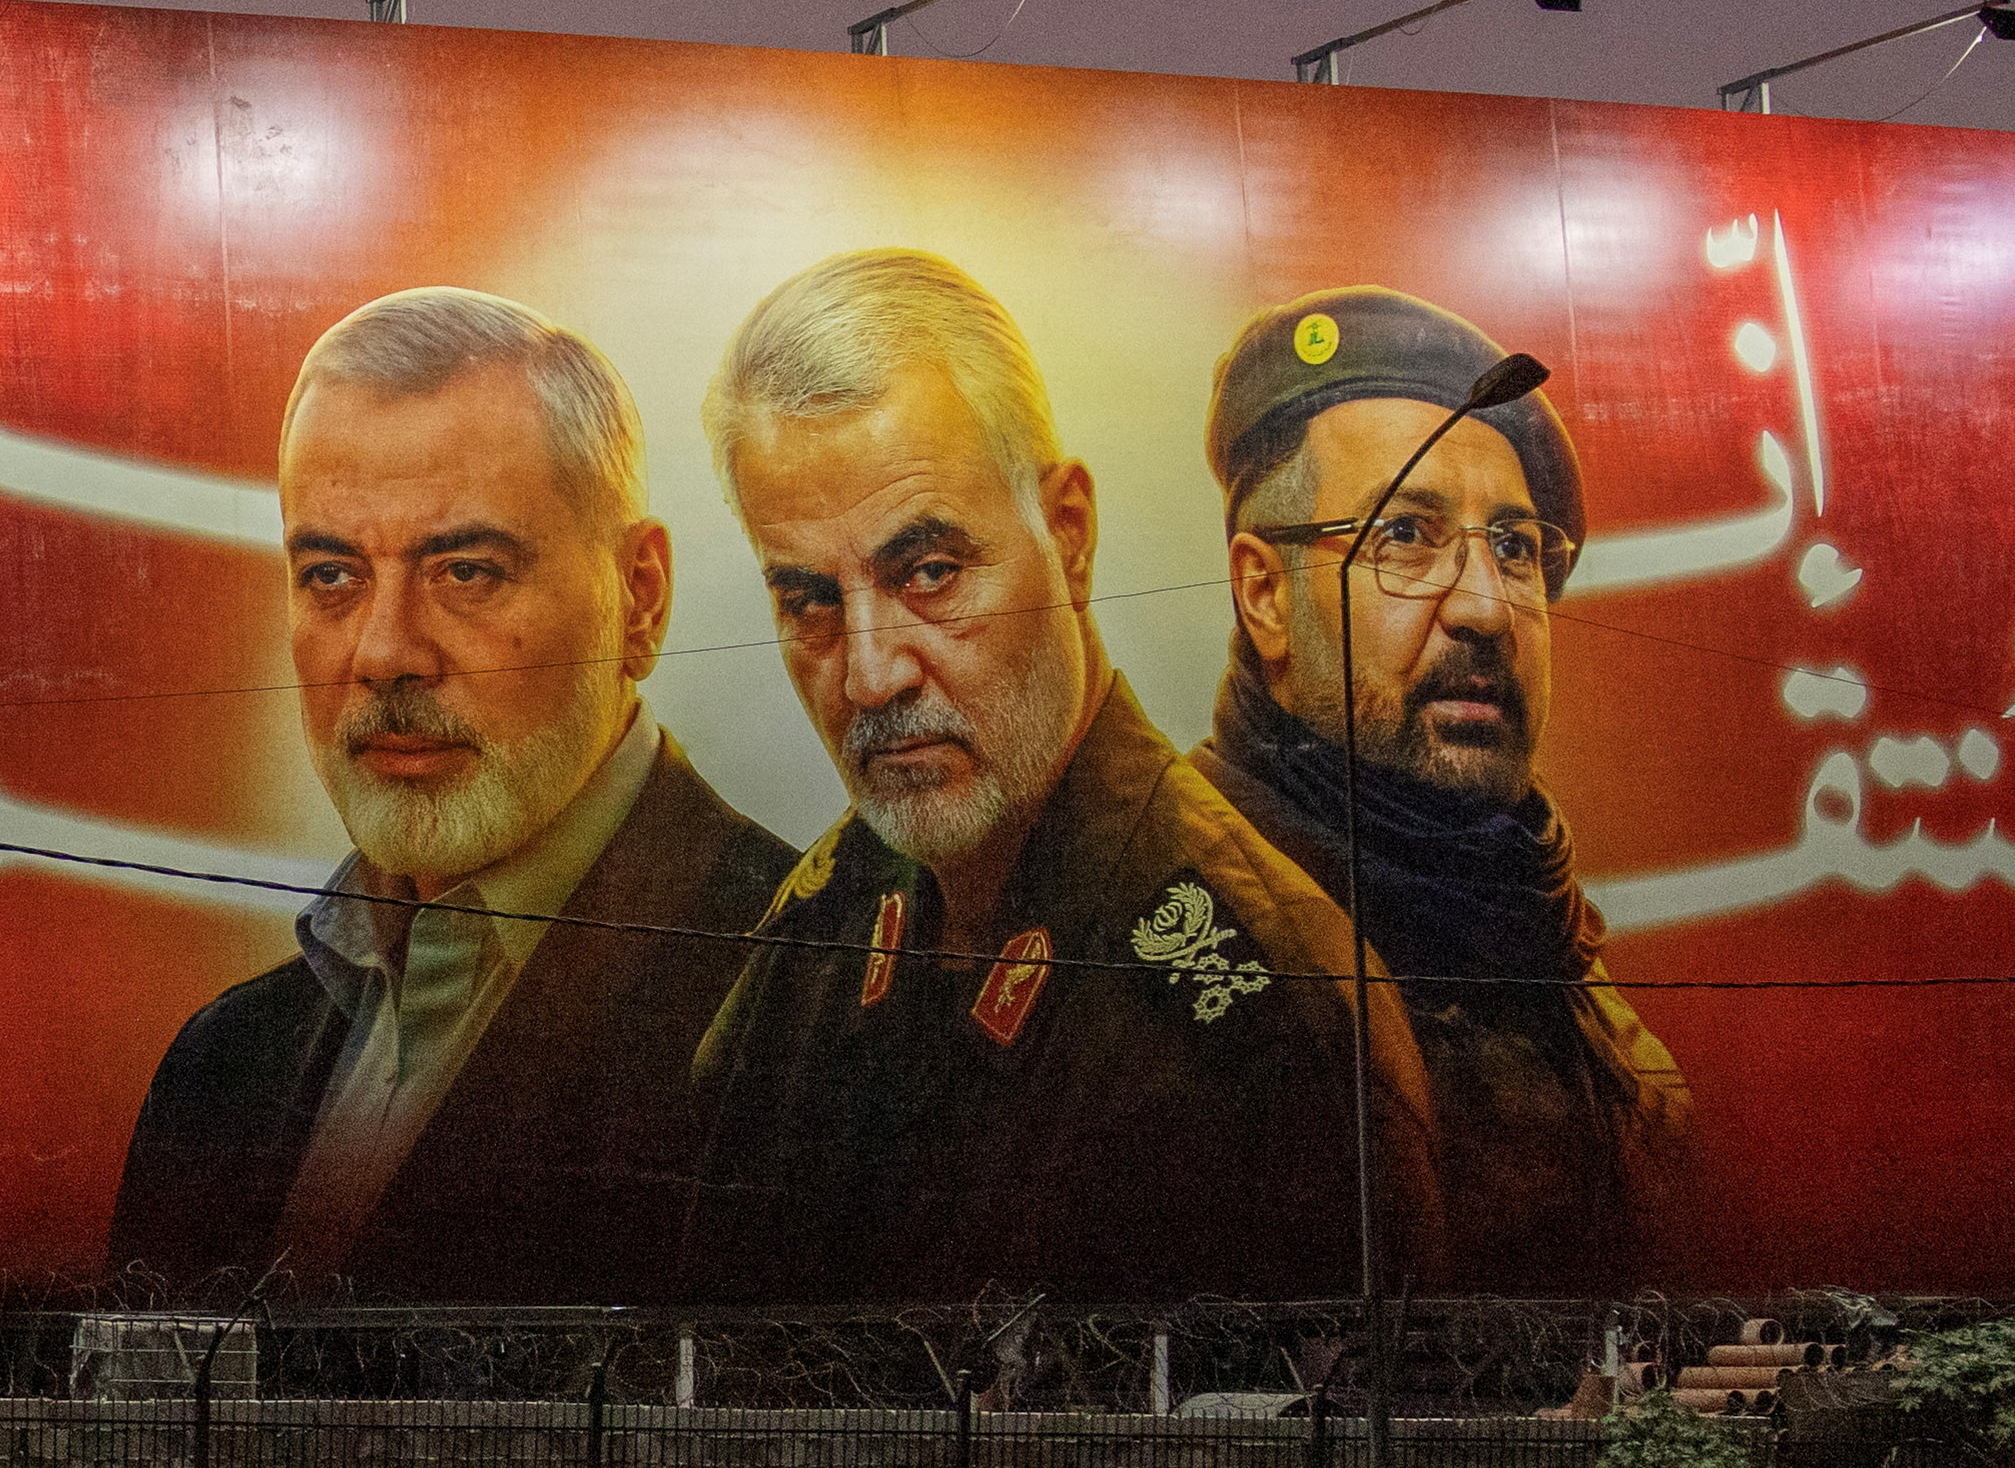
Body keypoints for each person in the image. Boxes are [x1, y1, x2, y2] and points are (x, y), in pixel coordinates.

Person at [673, 245, 1438, 1300]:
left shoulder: (1267, 1019)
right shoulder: (815, 932)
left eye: (929, 572)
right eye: (807, 597)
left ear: (1066, 537)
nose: (869, 671)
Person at [106, 287, 794, 1302]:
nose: (385, 653)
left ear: (639, 597)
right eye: (332, 576)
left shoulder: (803, 1018)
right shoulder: (220, 1070)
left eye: (466, 571)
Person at [1200, 289, 1690, 1290]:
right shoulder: (1170, 941)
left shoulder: (1585, 1006)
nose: (1484, 608)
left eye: (1513, 547)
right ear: (1264, 594)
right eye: (1406, 536)